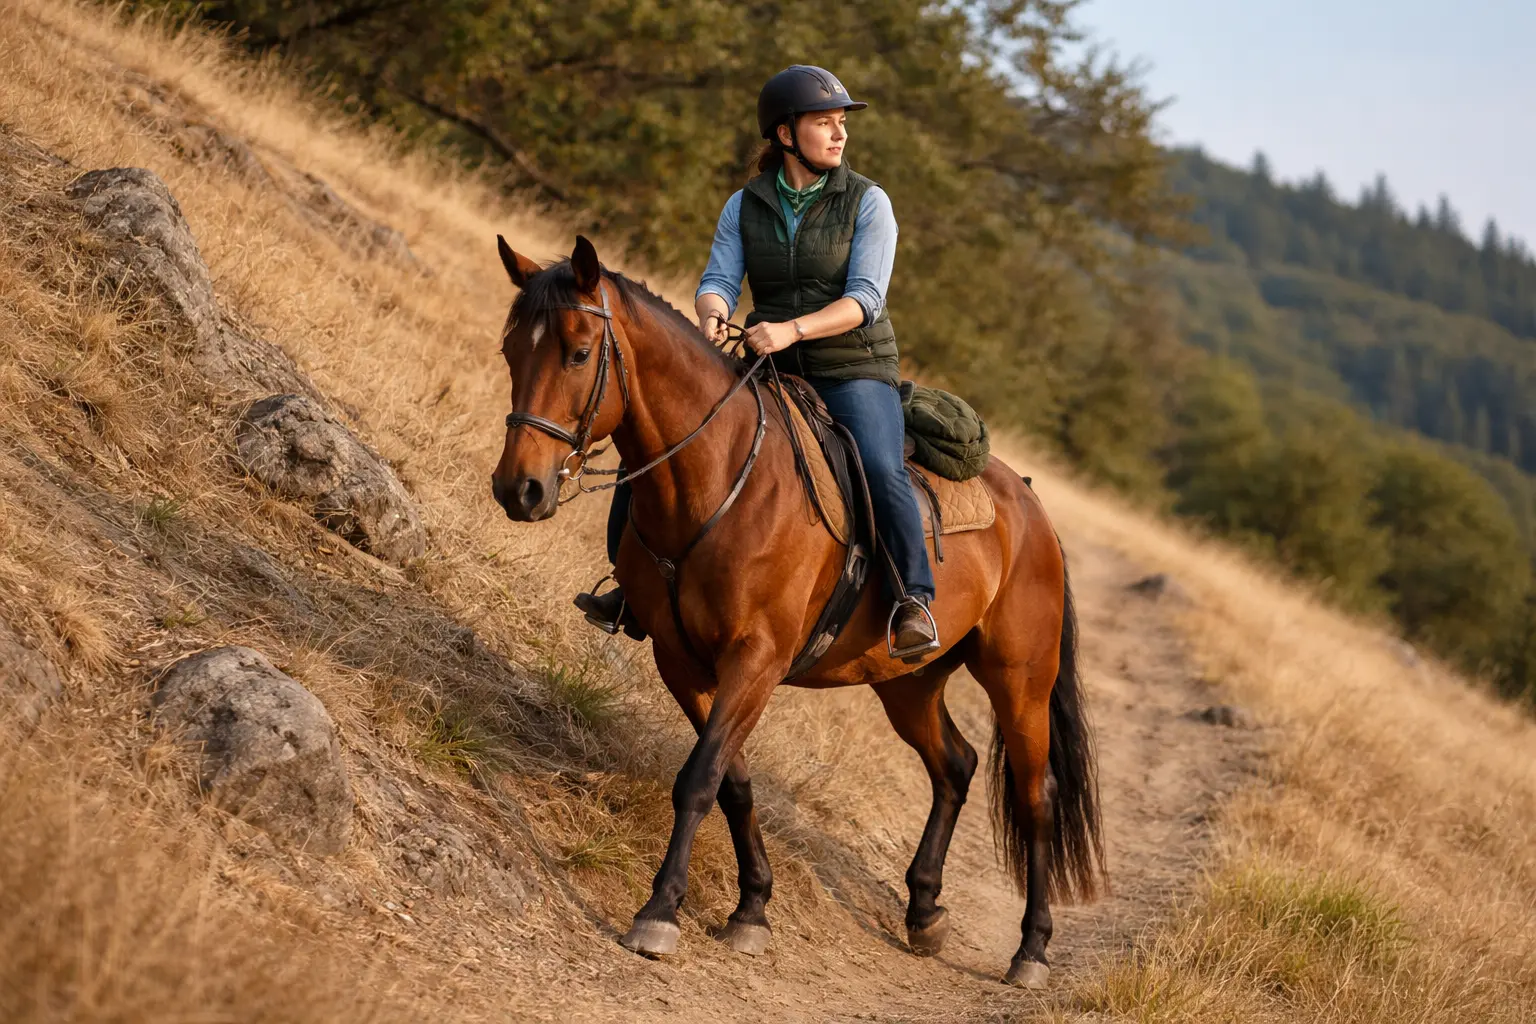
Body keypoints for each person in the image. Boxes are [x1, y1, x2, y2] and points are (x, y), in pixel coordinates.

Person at [576, 64, 939, 659]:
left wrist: (791, 329)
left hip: (852, 364)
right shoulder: (744, 205)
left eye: (842, 123)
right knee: (653, 443)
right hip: (770, 362)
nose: (840, 134)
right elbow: (719, 278)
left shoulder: (870, 203)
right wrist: (712, 313)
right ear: (786, 134)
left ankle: (912, 599)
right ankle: (630, 588)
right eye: (825, 122)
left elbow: (865, 301)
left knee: (878, 465)